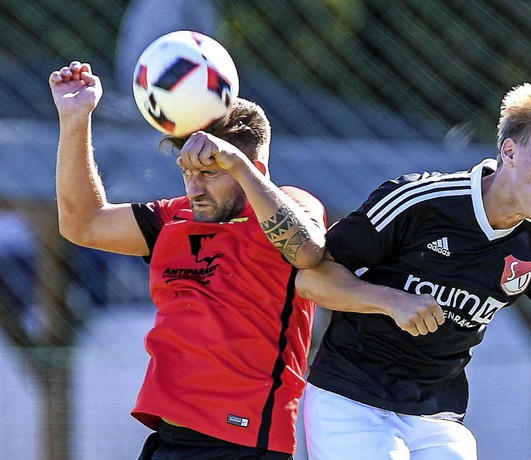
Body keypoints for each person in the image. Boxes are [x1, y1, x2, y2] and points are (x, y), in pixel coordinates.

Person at [295, 83, 531, 459]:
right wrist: (390, 300)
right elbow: (313, 278)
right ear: (510, 151)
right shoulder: (419, 201)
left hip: (437, 417)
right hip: (351, 400)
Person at [49, 61, 326, 460]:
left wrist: (238, 165)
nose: (195, 188)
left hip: (243, 443)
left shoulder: (293, 206)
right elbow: (83, 224)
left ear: (253, 168)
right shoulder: (173, 217)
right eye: (187, 173)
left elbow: (308, 251)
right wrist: (76, 119)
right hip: (168, 438)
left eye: (211, 173)